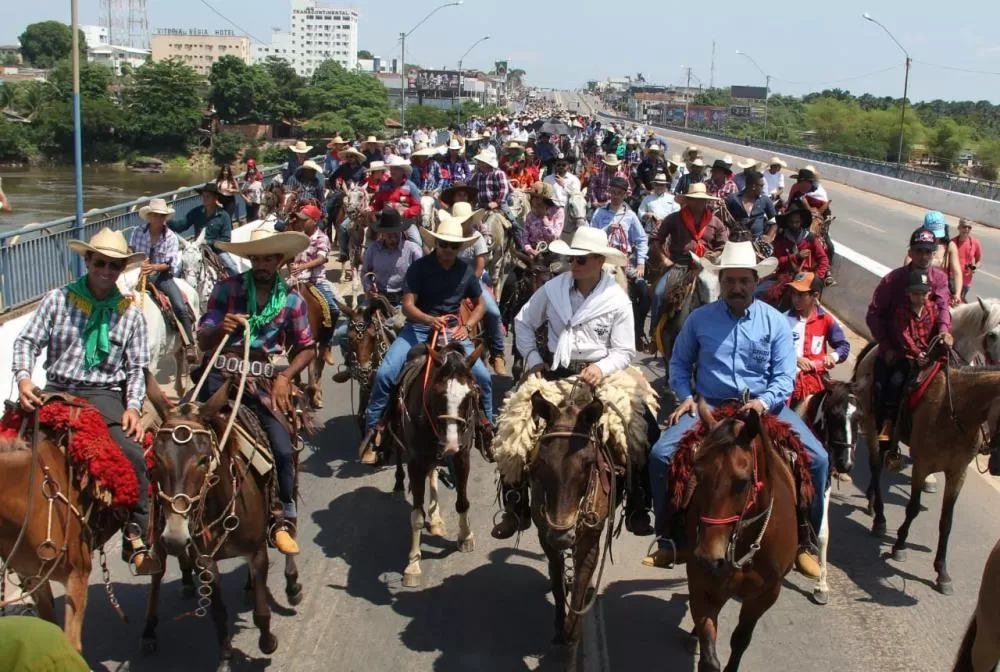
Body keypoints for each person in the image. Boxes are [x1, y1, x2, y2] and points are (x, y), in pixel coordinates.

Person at [643, 240, 829, 578]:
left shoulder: (775, 323)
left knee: (818, 459)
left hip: (763, 410)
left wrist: (763, 402)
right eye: (730, 280)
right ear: (721, 282)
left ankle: (806, 541)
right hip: (711, 407)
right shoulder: (700, 320)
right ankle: (668, 536)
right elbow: (680, 365)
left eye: (744, 281)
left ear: (755, 282)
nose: (737, 287)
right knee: (661, 455)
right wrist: (685, 395)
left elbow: (785, 376)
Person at [12, 228, 158, 574]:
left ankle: (136, 534)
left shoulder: (131, 314)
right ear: (87, 260)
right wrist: (23, 378)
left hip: (102, 394)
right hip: (56, 389)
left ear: (122, 269)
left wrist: (134, 407)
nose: (107, 271)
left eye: (115, 266)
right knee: (10, 450)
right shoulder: (57, 299)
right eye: (101, 263)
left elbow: (136, 369)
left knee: (133, 453)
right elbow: (26, 343)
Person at [496, 227, 652, 537]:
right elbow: (523, 322)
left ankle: (637, 503)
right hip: (556, 371)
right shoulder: (552, 289)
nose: (574, 265)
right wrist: (533, 359)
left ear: (598, 260)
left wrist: (601, 367)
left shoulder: (617, 299)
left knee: (638, 430)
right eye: (572, 260)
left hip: (602, 376)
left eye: (581, 260)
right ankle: (515, 505)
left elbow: (624, 350)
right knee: (513, 429)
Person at [198, 229, 316, 556]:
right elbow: (202, 340)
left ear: (280, 261)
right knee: (179, 435)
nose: (262, 263)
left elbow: (307, 348)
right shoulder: (226, 290)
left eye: (269, 258)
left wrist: (286, 377)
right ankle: (165, 517)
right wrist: (218, 329)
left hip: (264, 381)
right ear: (249, 260)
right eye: (257, 258)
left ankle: (283, 516)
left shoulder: (293, 300)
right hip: (220, 373)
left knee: (282, 447)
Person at [357, 214, 495, 460]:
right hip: (419, 328)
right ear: (436, 244)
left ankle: (487, 429)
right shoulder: (419, 267)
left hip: (452, 330)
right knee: (385, 373)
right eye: (444, 244)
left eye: (454, 246)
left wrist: (468, 324)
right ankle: (374, 433)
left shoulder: (465, 271)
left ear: (460, 247)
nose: (449, 250)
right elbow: (408, 305)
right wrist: (429, 319)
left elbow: (480, 304)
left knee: (483, 377)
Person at [866, 227, 954, 452]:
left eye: (928, 251)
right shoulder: (893, 280)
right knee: (882, 388)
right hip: (898, 348)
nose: (924, 256)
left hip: (932, 347)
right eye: (919, 251)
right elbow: (874, 315)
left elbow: (944, 307)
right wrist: (886, 347)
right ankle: (884, 437)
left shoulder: (940, 278)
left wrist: (944, 331)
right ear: (911, 253)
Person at [331, 209, 422, 384]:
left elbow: (423, 275)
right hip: (376, 299)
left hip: (404, 301)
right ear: (382, 233)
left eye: (395, 234)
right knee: (344, 332)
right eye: (388, 234)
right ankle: (351, 365)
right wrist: (368, 286)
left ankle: (407, 368)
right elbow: (365, 271)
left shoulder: (412, 249)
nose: (392, 237)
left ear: (401, 231)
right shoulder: (373, 249)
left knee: (399, 327)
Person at [878, 268, 948, 467]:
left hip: (931, 357)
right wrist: (918, 354)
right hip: (908, 357)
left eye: (923, 293)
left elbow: (938, 330)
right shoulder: (901, 311)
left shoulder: (933, 309)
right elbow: (904, 335)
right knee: (895, 385)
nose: (920, 297)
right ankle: (888, 426)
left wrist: (944, 338)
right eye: (916, 293)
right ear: (908, 293)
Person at [649, 183, 728, 337]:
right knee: (659, 293)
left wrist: (714, 255)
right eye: (695, 199)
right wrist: (665, 260)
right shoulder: (674, 219)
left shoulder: (715, 222)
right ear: (688, 200)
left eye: (702, 200)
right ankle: (654, 332)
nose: (699, 203)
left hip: (707, 267)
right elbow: (655, 240)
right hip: (680, 265)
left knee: (724, 296)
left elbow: (724, 246)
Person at [446, 201, 507, 375]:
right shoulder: (450, 236)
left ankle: (497, 353)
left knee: (493, 312)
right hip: (450, 281)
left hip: (472, 280)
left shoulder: (477, 237)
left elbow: (480, 266)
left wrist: (467, 283)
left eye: (465, 221)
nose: (462, 224)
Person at [132, 198, 196, 361]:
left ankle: (189, 344)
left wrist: (152, 267)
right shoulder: (138, 232)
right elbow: (132, 252)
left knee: (180, 307)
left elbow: (169, 264)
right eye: (156, 215)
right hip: (139, 274)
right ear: (150, 216)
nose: (158, 219)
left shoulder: (171, 237)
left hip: (161, 277)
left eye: (162, 216)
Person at [589, 176, 650, 349]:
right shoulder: (600, 213)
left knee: (644, 292)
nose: (615, 196)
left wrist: (641, 263)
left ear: (625, 195)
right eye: (613, 193)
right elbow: (590, 234)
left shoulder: (630, 216)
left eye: (619, 194)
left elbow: (641, 239)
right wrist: (606, 230)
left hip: (624, 262)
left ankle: (637, 332)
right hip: (602, 259)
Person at [784, 272, 850, 407]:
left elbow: (843, 346)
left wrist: (833, 357)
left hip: (818, 380)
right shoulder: (782, 319)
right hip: (788, 380)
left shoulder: (826, 320)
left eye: (801, 295)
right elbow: (771, 349)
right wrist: (795, 359)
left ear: (815, 295)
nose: (795, 299)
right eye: (793, 293)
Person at [288, 203, 340, 366]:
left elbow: (322, 258)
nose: (302, 222)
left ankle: (326, 345)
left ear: (315, 221)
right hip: (295, 280)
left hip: (316, 280)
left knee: (334, 309)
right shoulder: (296, 236)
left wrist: (304, 266)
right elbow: (289, 254)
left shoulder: (322, 237)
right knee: (273, 303)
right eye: (301, 219)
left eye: (305, 219)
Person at [168, 182, 237, 275]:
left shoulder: (224, 216)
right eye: (203, 196)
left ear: (215, 198)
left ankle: (239, 287)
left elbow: (226, 239)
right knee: (176, 269)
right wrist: (168, 220)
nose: (204, 199)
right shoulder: (196, 212)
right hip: (197, 249)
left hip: (217, 250)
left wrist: (208, 242)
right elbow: (181, 226)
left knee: (233, 269)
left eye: (207, 196)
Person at [904, 211, 963, 305]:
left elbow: (957, 273)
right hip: (919, 290)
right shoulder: (918, 243)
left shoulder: (949, 246)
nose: (936, 237)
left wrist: (958, 294)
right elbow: (907, 266)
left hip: (940, 290)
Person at [372, 155, 423, 248]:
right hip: (386, 222)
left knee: (417, 243)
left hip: (405, 222)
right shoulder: (383, 186)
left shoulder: (411, 186)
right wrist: (371, 209)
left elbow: (417, 207)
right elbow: (377, 205)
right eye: (391, 168)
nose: (392, 171)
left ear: (402, 171)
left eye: (395, 168)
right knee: (373, 244)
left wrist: (404, 212)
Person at [469, 147, 517, 227]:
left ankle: (519, 236)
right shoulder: (478, 175)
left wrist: (496, 202)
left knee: (513, 222)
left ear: (486, 163)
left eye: (480, 161)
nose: (478, 163)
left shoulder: (499, 173)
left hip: (499, 203)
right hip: (482, 205)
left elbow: (504, 189)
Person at [522, 181, 565, 256]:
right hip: (532, 251)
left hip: (551, 253)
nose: (533, 200)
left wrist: (544, 219)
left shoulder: (558, 212)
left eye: (537, 197)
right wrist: (529, 249)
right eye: (532, 197)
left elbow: (555, 236)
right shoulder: (531, 214)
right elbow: (524, 236)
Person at [955, 218, 983, 302]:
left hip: (966, 282)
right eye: (964, 227)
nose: (966, 229)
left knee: (960, 302)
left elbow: (979, 261)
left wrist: (974, 267)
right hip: (953, 280)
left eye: (969, 227)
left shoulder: (975, 243)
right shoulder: (952, 243)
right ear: (959, 228)